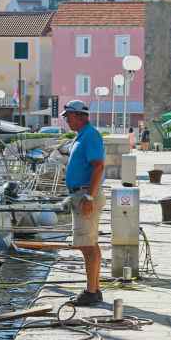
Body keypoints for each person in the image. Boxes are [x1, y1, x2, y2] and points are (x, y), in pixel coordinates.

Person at [62, 100, 105, 306]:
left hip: (86, 195)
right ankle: (94, 288)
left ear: (79, 115)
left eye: (68, 116)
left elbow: (98, 166)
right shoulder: (82, 136)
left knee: (87, 245)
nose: (66, 120)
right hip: (81, 195)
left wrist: (89, 196)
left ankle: (90, 291)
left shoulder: (90, 135)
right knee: (89, 244)